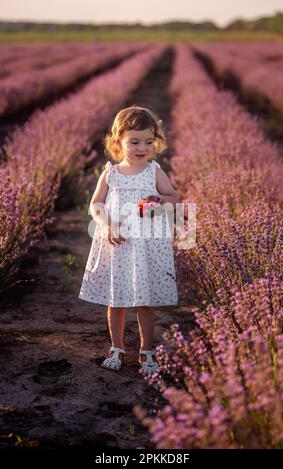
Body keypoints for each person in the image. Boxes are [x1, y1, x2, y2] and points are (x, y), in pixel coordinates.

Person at [78, 105, 180, 375]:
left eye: (148, 141)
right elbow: (95, 205)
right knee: (117, 300)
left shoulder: (154, 171)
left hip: (146, 245)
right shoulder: (110, 173)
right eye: (134, 141)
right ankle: (117, 347)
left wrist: (159, 201)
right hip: (118, 244)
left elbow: (173, 196)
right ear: (118, 141)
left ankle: (147, 351)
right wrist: (107, 224)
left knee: (144, 300)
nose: (142, 147)